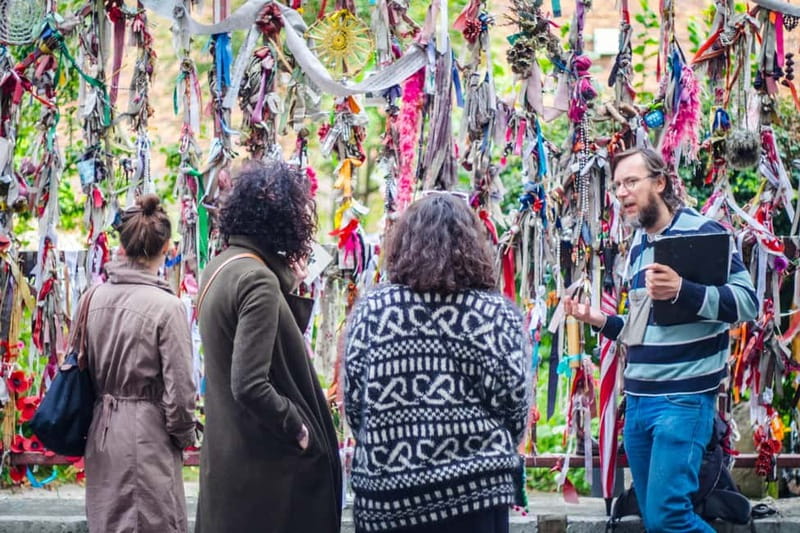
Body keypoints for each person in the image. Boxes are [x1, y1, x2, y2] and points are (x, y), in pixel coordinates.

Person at [564, 147, 758, 532]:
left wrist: (683, 289)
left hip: (682, 403)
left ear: (661, 182)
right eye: (618, 185)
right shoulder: (638, 247)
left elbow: (748, 304)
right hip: (638, 405)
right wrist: (598, 319)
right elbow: (639, 330)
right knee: (656, 520)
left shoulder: (706, 232)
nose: (621, 193)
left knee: (670, 518)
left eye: (631, 182)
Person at [344, 193, 530, 533]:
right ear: (472, 244)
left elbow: (356, 405)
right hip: (476, 495)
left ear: (404, 242)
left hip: (389, 498)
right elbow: (514, 407)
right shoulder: (494, 314)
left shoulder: (373, 310)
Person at [195, 161, 342, 533]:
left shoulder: (220, 267)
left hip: (232, 466)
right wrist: (298, 427)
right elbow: (249, 383)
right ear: (284, 222)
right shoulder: (257, 279)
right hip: (264, 475)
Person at [84, 194, 196, 533]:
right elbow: (180, 392)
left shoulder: (92, 298)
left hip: (101, 432)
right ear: (165, 250)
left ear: (124, 245)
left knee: (109, 521)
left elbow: (82, 367)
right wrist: (183, 434)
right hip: (148, 436)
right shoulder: (167, 307)